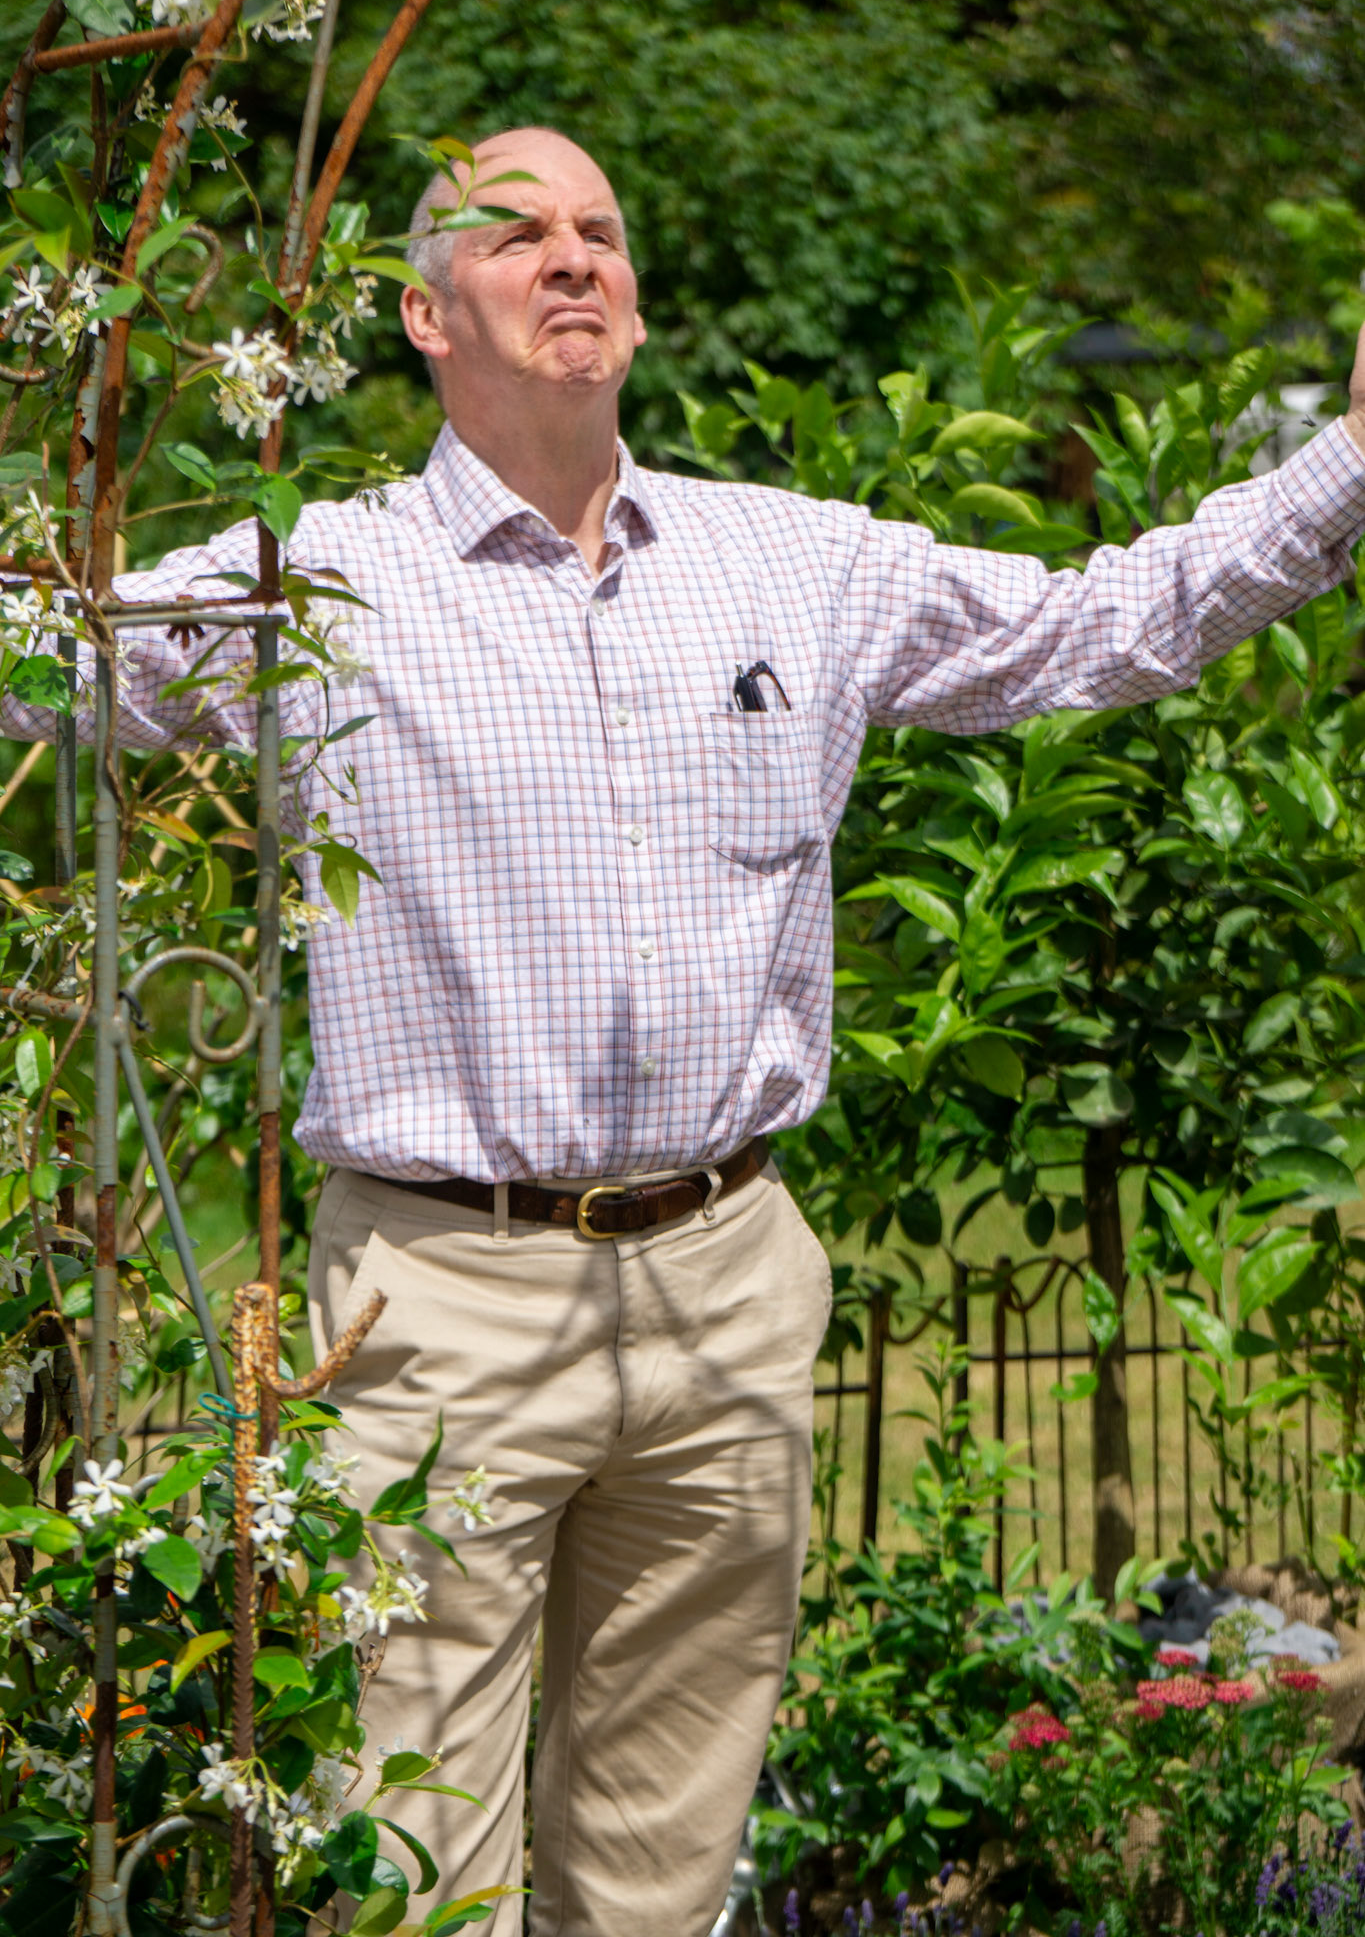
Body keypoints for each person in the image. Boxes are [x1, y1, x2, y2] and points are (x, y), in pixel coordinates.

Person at [12, 126, 1365, 1936]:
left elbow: (1101, 626)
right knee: (398, 1862)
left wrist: (1353, 452)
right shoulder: (311, 586)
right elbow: (45, 656)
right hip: (438, 1303)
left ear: (636, 305)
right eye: (515, 234)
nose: (571, 256)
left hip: (728, 1280)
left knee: (661, 1864)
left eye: (600, 230)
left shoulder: (793, 563)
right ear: (422, 313)